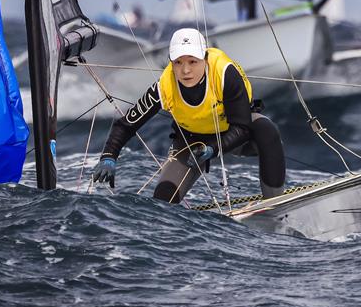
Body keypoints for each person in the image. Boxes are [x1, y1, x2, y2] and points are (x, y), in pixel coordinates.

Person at [90, 28, 286, 203]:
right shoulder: (164, 87)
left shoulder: (225, 73)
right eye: (178, 62)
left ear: (205, 59)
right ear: (171, 63)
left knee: (266, 129)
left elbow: (242, 127)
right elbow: (126, 125)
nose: (185, 70)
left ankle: (276, 205)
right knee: (163, 202)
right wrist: (109, 156)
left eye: (193, 61)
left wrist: (213, 149)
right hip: (192, 144)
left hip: (234, 136)